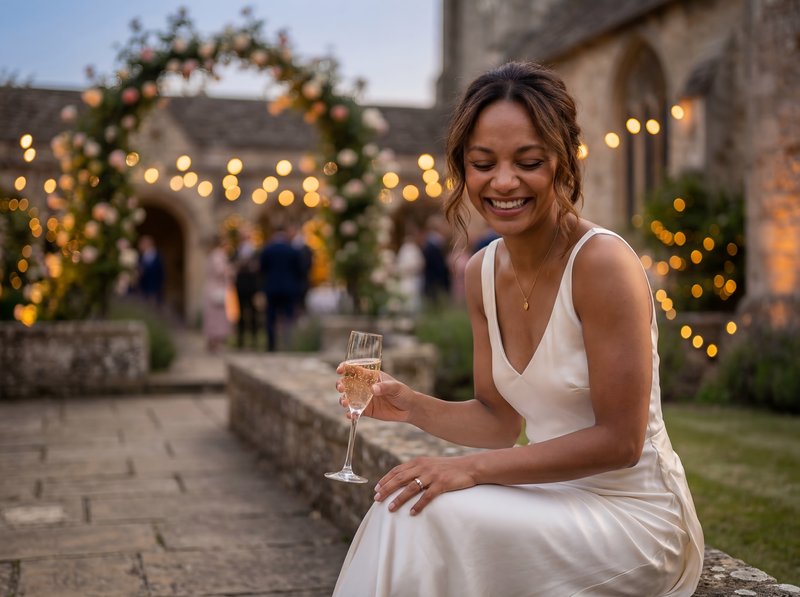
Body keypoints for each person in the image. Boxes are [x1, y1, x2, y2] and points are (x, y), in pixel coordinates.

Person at [332, 61, 704, 596]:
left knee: (427, 514)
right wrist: (409, 404)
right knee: (404, 507)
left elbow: (620, 441)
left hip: (631, 519)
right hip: (543, 497)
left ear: (562, 161)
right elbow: (498, 420)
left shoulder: (601, 263)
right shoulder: (482, 272)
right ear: (463, 168)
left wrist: (474, 470)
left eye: (527, 162)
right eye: (483, 163)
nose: (503, 182)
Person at [259, 226, 303, 352]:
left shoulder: (268, 249)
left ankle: (271, 345)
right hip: (289, 288)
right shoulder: (292, 250)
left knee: (270, 317)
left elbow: (262, 268)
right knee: (288, 317)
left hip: (272, 288)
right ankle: (288, 344)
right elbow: (299, 270)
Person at [203, 235, 232, 353]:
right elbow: (220, 271)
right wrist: (230, 270)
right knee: (217, 317)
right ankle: (215, 342)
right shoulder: (218, 255)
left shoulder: (212, 255)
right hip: (217, 289)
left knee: (213, 316)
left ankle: (213, 341)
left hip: (212, 288)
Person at [232, 228, 261, 349]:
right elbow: (232, 266)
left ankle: (254, 340)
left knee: (253, 312)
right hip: (240, 285)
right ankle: (240, 340)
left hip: (251, 285)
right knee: (240, 313)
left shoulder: (255, 251)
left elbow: (259, 267)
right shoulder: (236, 251)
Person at [136, 235, 165, 306]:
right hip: (144, 288)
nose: (139, 246)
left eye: (141, 244)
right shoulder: (140, 257)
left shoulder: (157, 256)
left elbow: (160, 273)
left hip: (154, 288)